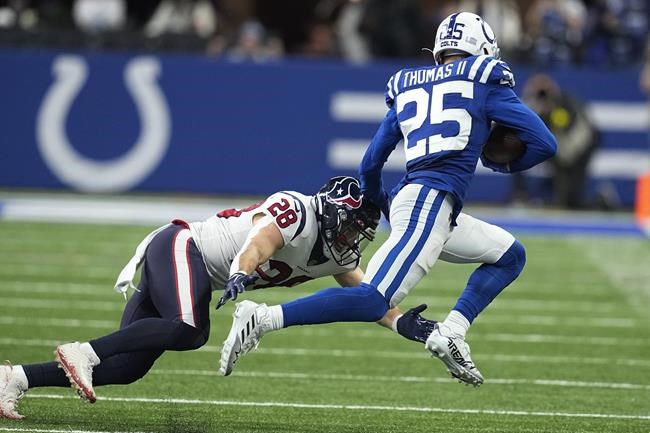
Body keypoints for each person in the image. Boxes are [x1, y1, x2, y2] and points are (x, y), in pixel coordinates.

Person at [218, 12, 557, 387]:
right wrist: (499, 163)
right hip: (431, 202)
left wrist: (386, 206)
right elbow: (544, 143)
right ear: (482, 49)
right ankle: (262, 317)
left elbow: (370, 164)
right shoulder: (484, 79)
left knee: (510, 255)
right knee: (372, 301)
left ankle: (451, 332)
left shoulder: (411, 85)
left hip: (420, 202)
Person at [0, 176, 437, 420]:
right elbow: (259, 244)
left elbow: (366, 296)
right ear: (330, 213)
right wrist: (241, 272)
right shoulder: (298, 211)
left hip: (193, 271)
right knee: (190, 329)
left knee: (128, 368)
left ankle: (14, 378)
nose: (353, 238)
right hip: (181, 246)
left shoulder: (336, 255)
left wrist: (401, 322)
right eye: (350, 227)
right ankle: (83, 351)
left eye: (360, 232)